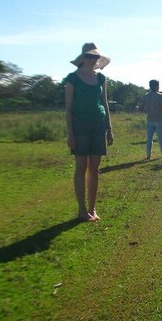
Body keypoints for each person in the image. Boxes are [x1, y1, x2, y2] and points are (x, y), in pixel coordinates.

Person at [63, 42, 113, 222]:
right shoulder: (72, 79)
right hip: (80, 126)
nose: (94, 59)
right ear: (83, 58)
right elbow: (68, 108)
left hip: (98, 125)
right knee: (81, 168)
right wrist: (70, 134)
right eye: (90, 56)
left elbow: (105, 103)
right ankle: (82, 210)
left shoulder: (101, 79)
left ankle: (93, 209)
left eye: (96, 57)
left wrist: (109, 128)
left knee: (94, 168)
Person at [140, 79, 162, 160]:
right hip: (158, 119)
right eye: (158, 85)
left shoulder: (146, 96)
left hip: (149, 119)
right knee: (161, 138)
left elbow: (142, 108)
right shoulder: (160, 95)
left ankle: (148, 155)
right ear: (156, 86)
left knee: (149, 139)